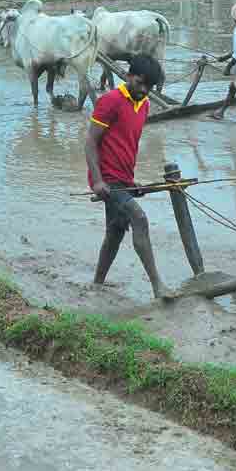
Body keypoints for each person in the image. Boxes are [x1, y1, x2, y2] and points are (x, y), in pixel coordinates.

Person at [85, 54, 171, 300]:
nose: (144, 90)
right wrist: (98, 181)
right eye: (140, 83)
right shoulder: (111, 100)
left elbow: (125, 144)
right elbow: (91, 142)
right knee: (139, 219)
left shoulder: (143, 106)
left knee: (115, 231)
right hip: (107, 180)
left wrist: (131, 183)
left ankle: (97, 284)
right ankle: (158, 287)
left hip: (123, 179)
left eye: (149, 87)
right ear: (128, 75)